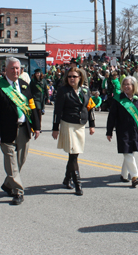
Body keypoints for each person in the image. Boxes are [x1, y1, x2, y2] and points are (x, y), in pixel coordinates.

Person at [0, 57, 41, 205]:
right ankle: (18, 191)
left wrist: (36, 127)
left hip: (23, 129)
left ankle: (7, 184)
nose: (15, 71)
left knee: (20, 161)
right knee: (11, 161)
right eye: (12, 68)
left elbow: (32, 107)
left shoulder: (24, 85)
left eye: (17, 68)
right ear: (6, 69)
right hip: (6, 130)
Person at [52, 67, 95, 196]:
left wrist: (92, 125)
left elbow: (90, 108)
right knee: (74, 154)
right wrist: (55, 128)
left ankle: (66, 179)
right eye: (70, 76)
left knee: (74, 154)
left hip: (80, 125)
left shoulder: (85, 90)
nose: (72, 79)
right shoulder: (63, 91)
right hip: (68, 124)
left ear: (80, 78)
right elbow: (57, 111)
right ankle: (78, 183)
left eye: (74, 76)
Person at [106, 76, 138, 188]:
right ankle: (134, 177)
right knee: (127, 152)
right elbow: (112, 117)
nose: (126, 86)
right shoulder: (118, 99)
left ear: (133, 86)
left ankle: (124, 175)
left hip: (135, 130)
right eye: (124, 84)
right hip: (122, 130)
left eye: (128, 84)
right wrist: (109, 131)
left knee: (130, 152)